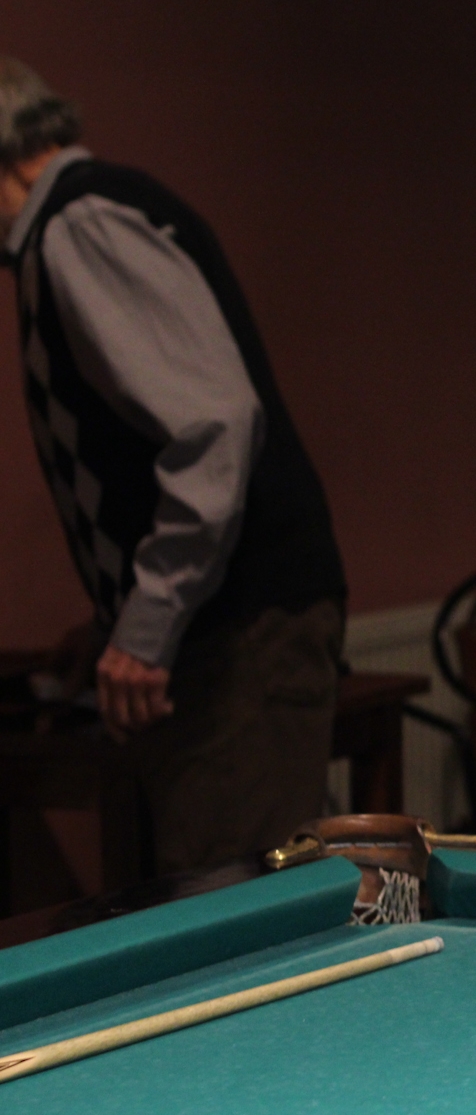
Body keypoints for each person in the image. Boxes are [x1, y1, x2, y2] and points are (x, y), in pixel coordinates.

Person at [0, 59, 347, 874]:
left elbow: (212, 423)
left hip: (235, 639)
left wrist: (147, 624)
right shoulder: (73, 224)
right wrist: (117, 619)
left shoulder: (78, 225)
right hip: (230, 629)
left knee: (239, 907)